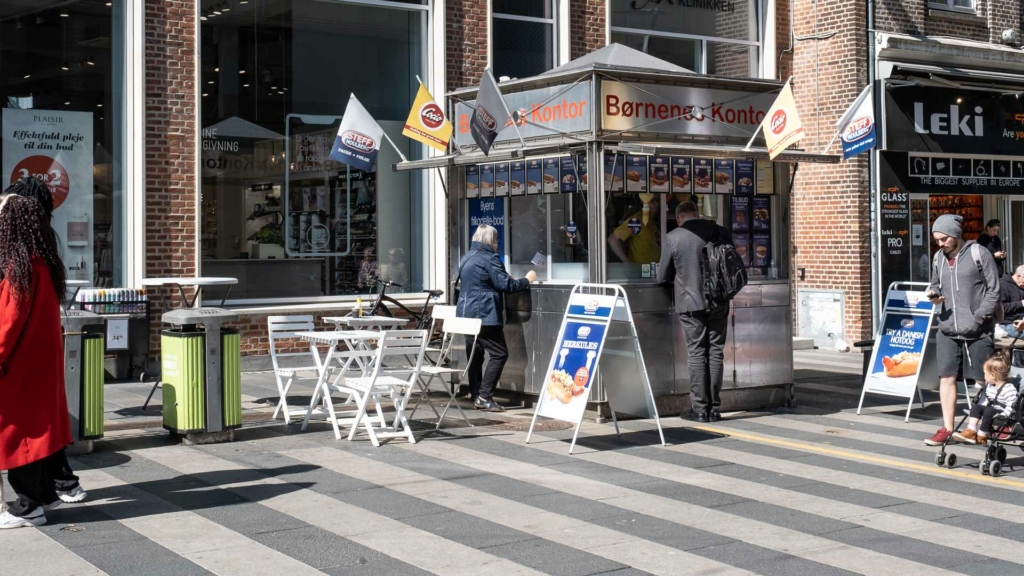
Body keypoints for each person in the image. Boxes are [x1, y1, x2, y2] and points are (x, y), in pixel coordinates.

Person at [0, 195, 86, 529]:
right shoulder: (44, 265)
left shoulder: (19, 270)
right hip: (40, 364)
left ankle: (28, 507)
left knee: (19, 437)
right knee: (38, 434)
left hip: (20, 367)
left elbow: (8, 324)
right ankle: (46, 493)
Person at [924, 214, 1001, 446]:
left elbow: (993, 290)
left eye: (944, 238)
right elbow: (935, 283)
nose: (940, 244)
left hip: (978, 330)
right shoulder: (938, 257)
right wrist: (933, 294)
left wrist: (978, 318)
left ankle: (979, 427)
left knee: (984, 380)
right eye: (937, 239)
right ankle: (947, 428)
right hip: (947, 328)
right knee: (946, 378)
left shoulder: (979, 253)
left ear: (956, 234)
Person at [657, 201, 733, 423]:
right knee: (716, 351)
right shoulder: (720, 232)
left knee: (697, 353)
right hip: (719, 301)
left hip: (691, 304)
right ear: (698, 214)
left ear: (679, 218)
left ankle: (699, 409)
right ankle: (714, 408)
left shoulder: (674, 237)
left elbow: (662, 276)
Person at [456, 224, 535, 412]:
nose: (497, 244)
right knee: (500, 353)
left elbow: (483, 280)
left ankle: (477, 394)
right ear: (491, 240)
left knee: (475, 355)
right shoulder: (490, 258)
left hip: (466, 314)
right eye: (496, 240)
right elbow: (505, 286)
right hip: (484, 314)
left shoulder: (467, 257)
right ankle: (484, 397)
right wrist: (527, 280)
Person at [951, 353, 1018, 445]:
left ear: (993, 375)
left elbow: (1013, 404)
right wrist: (980, 409)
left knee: (989, 411)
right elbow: (986, 399)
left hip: (1002, 412)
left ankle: (983, 434)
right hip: (991, 408)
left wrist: (1005, 415)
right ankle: (971, 430)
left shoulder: (1008, 388)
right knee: (976, 407)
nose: (984, 376)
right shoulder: (989, 386)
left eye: (985, 373)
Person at [608, 195, 661, 264]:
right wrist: (627, 262)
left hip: (654, 269)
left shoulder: (653, 219)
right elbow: (613, 239)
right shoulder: (636, 221)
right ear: (643, 201)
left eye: (658, 200)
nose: (656, 204)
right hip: (641, 270)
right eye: (652, 201)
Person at [998, 265, 1024, 338]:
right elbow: (1000, 309)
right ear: (1018, 276)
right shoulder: (1002, 285)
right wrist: (1021, 303)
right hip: (1009, 323)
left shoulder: (1021, 285)